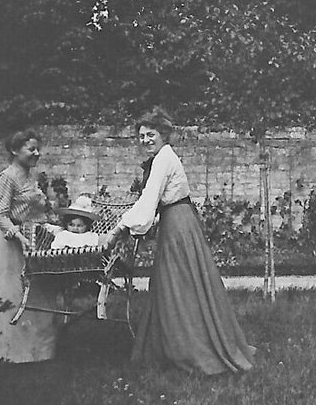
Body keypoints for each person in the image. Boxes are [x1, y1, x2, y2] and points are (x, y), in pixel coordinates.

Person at [107, 109, 255, 375]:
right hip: (176, 221)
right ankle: (175, 344)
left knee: (180, 284)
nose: (145, 140)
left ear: (163, 134)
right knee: (176, 282)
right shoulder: (161, 158)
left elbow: (148, 201)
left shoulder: (164, 158)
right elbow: (150, 204)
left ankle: (192, 348)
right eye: (141, 136)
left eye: (151, 134)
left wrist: (118, 230)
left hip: (178, 223)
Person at [0, 129, 62, 363]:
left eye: (38, 149)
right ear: (14, 150)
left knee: (38, 295)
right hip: (12, 246)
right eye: (31, 149)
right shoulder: (7, 178)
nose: (37, 153)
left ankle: (39, 353)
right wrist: (18, 236)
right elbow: (0, 216)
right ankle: (10, 354)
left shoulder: (30, 176)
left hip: (33, 243)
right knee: (13, 296)